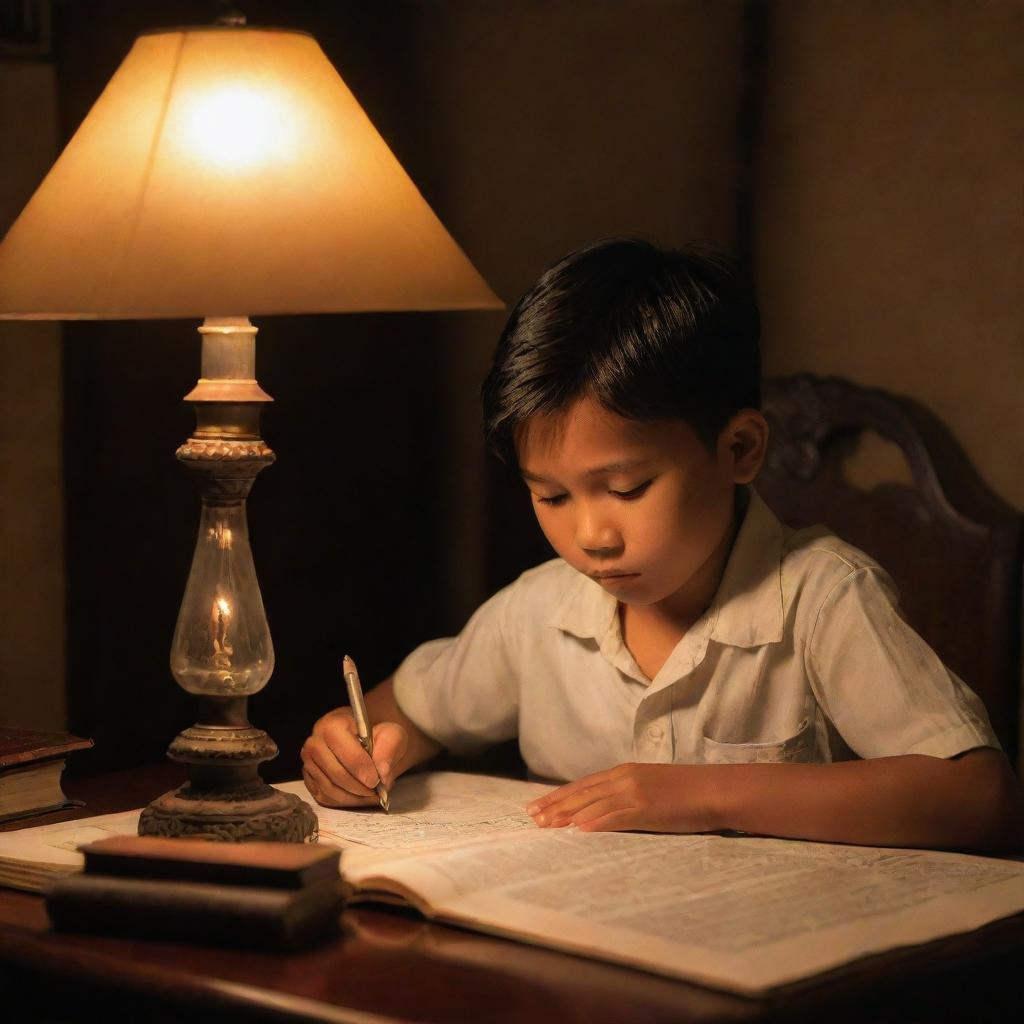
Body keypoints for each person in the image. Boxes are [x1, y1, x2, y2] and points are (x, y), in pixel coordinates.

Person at [301, 238, 1023, 852]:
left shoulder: (821, 596)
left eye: (626, 488)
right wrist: (359, 746)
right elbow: (408, 712)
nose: (591, 537)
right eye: (551, 496)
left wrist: (707, 796)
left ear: (739, 449)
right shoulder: (541, 611)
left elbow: (978, 797)